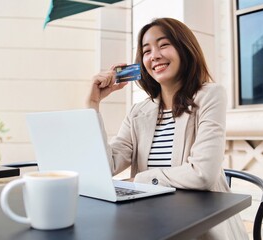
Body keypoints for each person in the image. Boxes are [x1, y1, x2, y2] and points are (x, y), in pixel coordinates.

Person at [86, 17, 248, 239]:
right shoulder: (138, 112)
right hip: (147, 221)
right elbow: (105, 166)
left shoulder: (210, 95)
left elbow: (202, 174)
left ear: (184, 49)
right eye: (146, 51)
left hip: (201, 228)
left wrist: (140, 180)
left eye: (164, 45)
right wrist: (93, 105)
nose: (154, 55)